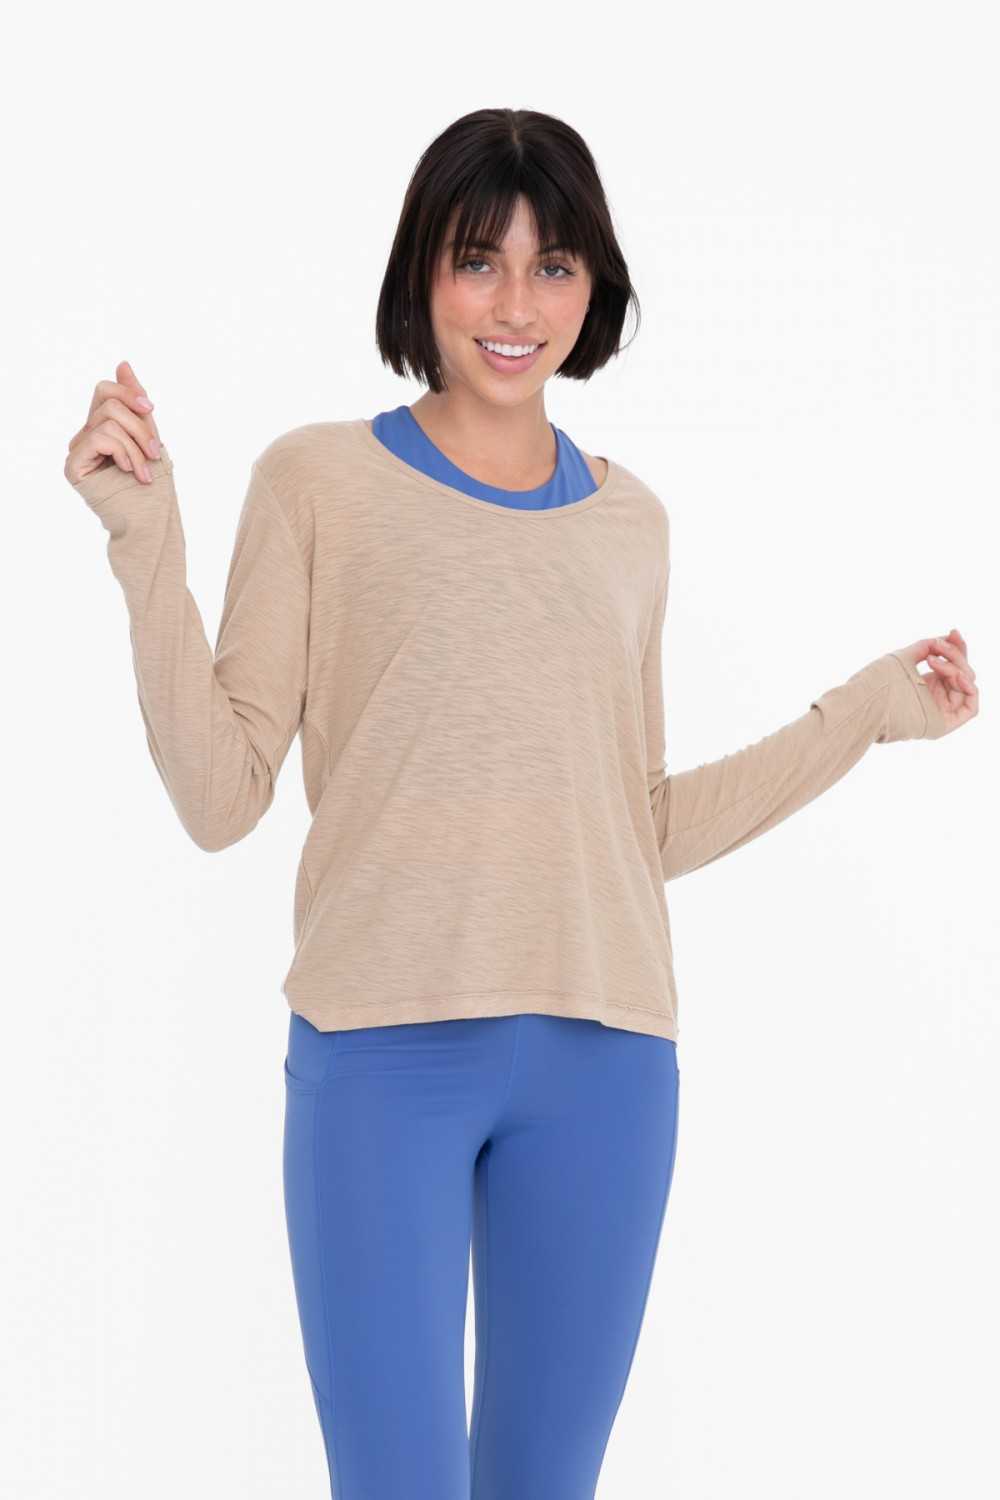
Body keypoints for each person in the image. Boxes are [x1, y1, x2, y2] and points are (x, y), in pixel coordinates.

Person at [64, 107, 978, 1499]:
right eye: (477, 261)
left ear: (593, 285)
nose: (515, 307)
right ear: (420, 274)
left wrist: (864, 714)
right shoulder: (316, 482)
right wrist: (146, 545)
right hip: (381, 1059)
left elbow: (636, 825)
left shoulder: (631, 525)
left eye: (553, 268)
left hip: (607, 1066)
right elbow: (219, 794)